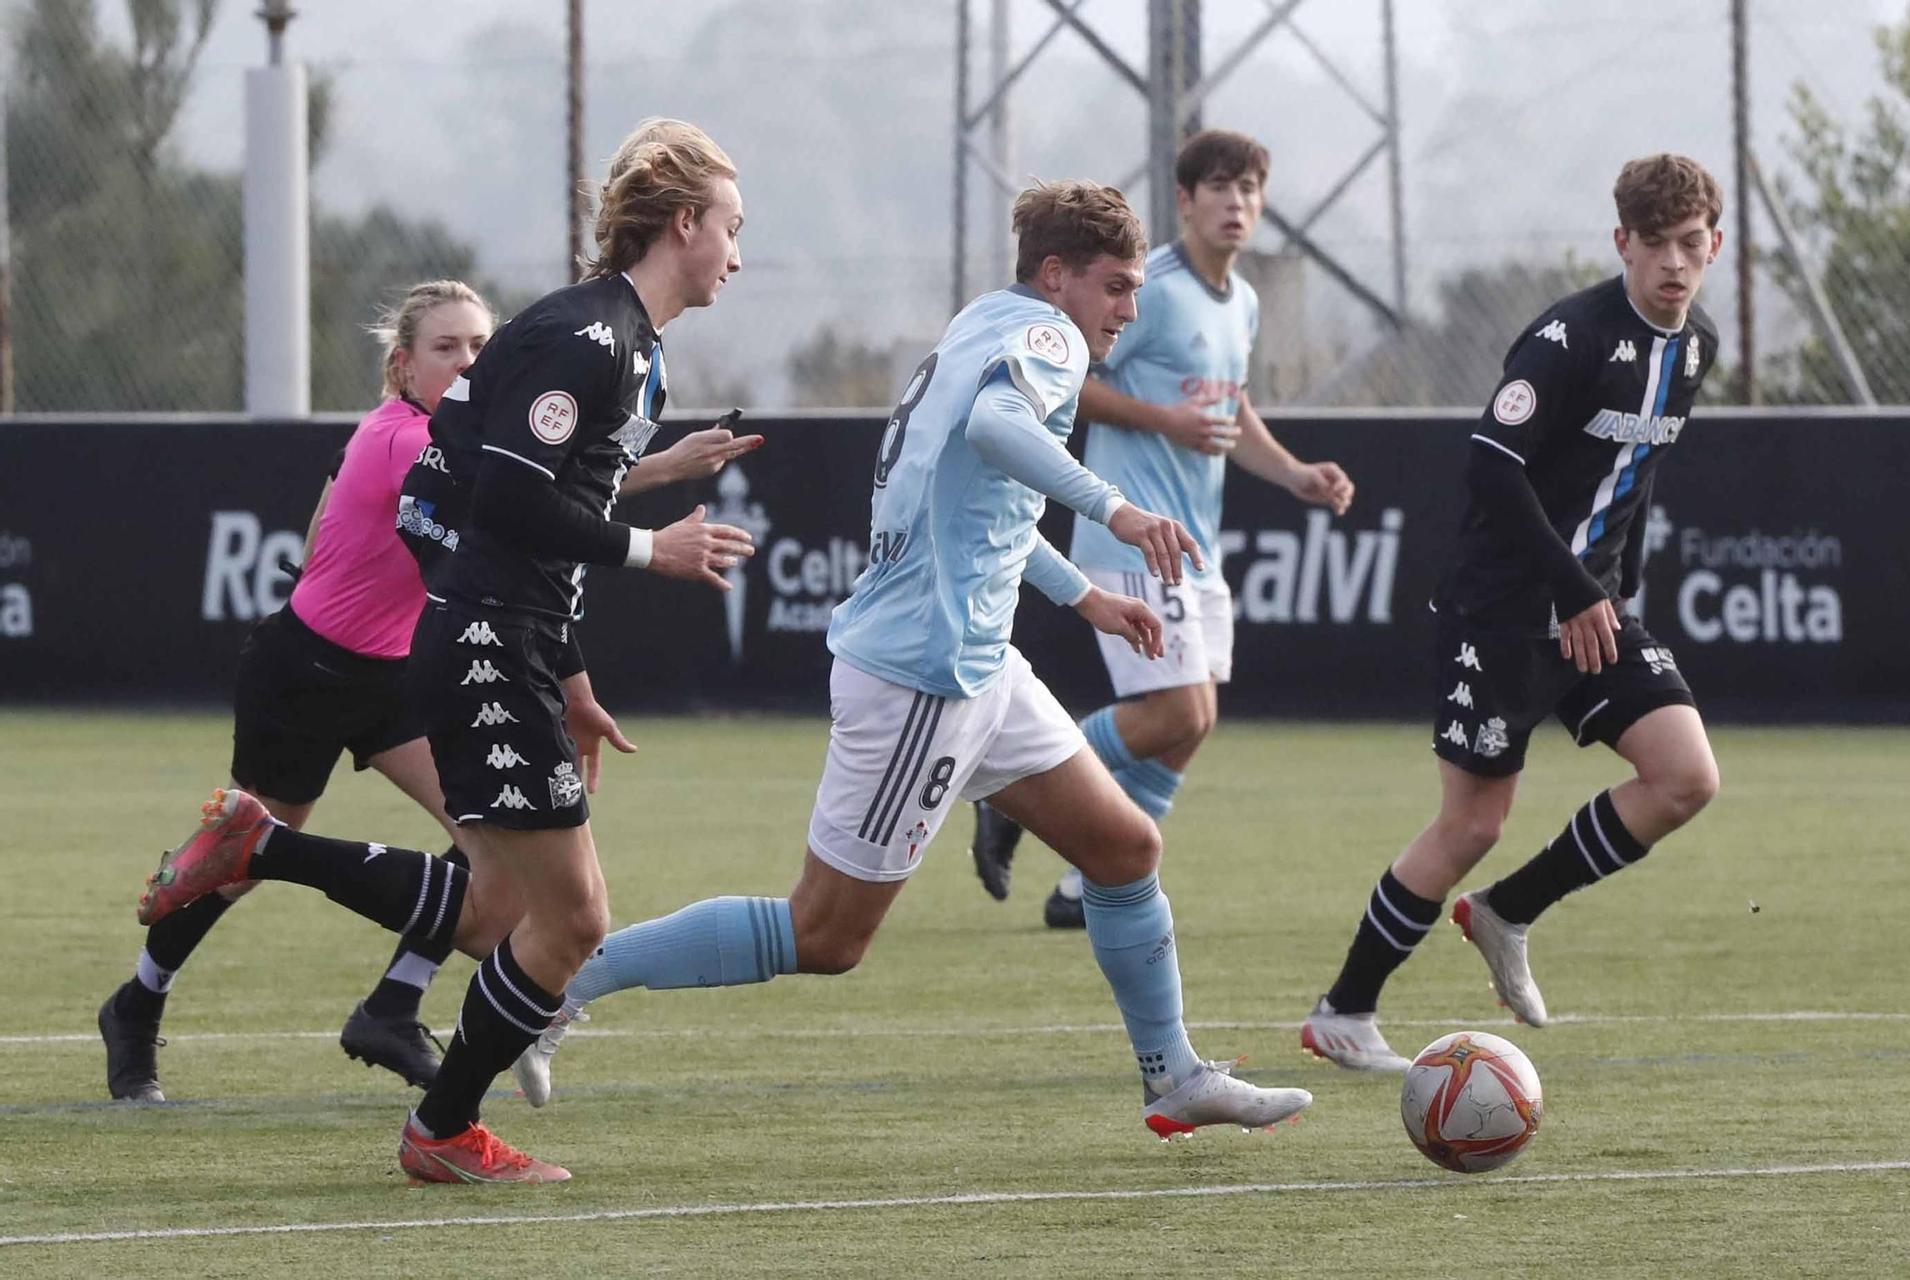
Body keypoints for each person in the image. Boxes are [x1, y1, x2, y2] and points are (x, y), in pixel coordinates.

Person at [510, 180, 1315, 1142]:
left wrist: (1086, 595)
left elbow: (990, 501)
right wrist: (1117, 509)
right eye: (1116, 288)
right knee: (825, 935)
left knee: (1125, 846)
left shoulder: (987, 321)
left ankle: (1173, 1076)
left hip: (977, 659)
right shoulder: (1052, 340)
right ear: (1056, 278)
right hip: (926, 675)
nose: (1128, 312)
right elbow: (995, 435)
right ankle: (554, 984)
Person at [138, 118, 760, 1183]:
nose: (739, 255)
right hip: (481, 644)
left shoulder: (627, 348)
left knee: (496, 910)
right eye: (732, 229)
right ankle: (439, 1125)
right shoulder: (590, 338)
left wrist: (570, 674)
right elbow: (510, 498)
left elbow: (503, 491)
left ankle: (269, 856)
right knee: (569, 919)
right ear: (685, 223)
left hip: (498, 640)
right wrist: (650, 546)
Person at [1299, 154, 1725, 1072]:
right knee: (1473, 824)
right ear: (1623, 243)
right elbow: (1492, 465)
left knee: (1685, 777)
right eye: (1655, 245)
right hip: (1501, 608)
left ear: (1715, 245)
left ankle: (1508, 910)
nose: (1674, 265)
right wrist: (1572, 586)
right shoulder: (1567, 339)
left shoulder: (1695, 350)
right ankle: (1343, 1011)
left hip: (1593, 607)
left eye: (1691, 245)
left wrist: (1615, 585)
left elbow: (1636, 476)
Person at [97, 281, 496, 1104]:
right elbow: (508, 502)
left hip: (393, 677)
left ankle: (394, 1005)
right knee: (238, 865)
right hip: (306, 673)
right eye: (446, 348)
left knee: (491, 833)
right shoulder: (402, 437)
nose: (466, 362)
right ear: (403, 366)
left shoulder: (449, 433)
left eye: (480, 347)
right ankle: (135, 1004)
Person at [966, 129, 1357, 928]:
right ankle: (1015, 794)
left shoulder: (1241, 301)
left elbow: (1227, 411)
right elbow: (1073, 381)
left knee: (1192, 723)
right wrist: (1164, 421)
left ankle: (1082, 889)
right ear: (1185, 200)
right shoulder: (1154, 287)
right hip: (1128, 530)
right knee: (1175, 713)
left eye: (1249, 190)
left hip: (1193, 542)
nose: (1236, 205)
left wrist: (1293, 473)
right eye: (1220, 189)